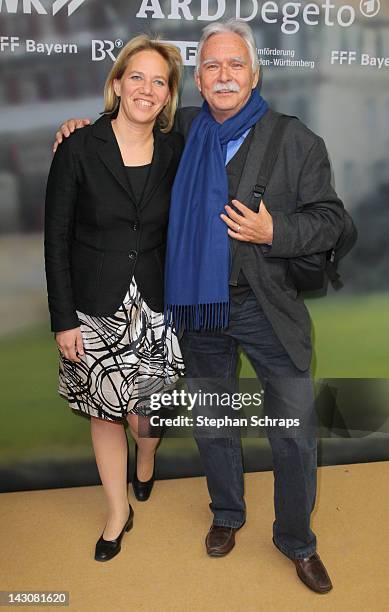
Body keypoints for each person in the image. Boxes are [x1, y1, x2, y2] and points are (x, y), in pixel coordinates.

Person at [53, 20, 345, 593]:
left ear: (254, 73)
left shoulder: (295, 140)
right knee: (214, 423)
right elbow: (124, 137)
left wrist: (273, 230)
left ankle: (297, 541)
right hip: (195, 312)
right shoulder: (184, 131)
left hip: (268, 309)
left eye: (235, 64)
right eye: (211, 65)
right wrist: (78, 128)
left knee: (293, 430)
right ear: (199, 81)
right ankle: (227, 514)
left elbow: (332, 219)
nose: (224, 75)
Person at [45, 35, 184, 562]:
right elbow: (55, 239)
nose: (146, 89)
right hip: (92, 307)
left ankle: (146, 458)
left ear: (168, 94)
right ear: (117, 83)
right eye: (137, 77)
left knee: (146, 420)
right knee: (103, 415)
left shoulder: (177, 150)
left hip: (155, 307)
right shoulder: (78, 148)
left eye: (159, 81)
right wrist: (63, 319)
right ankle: (117, 511)